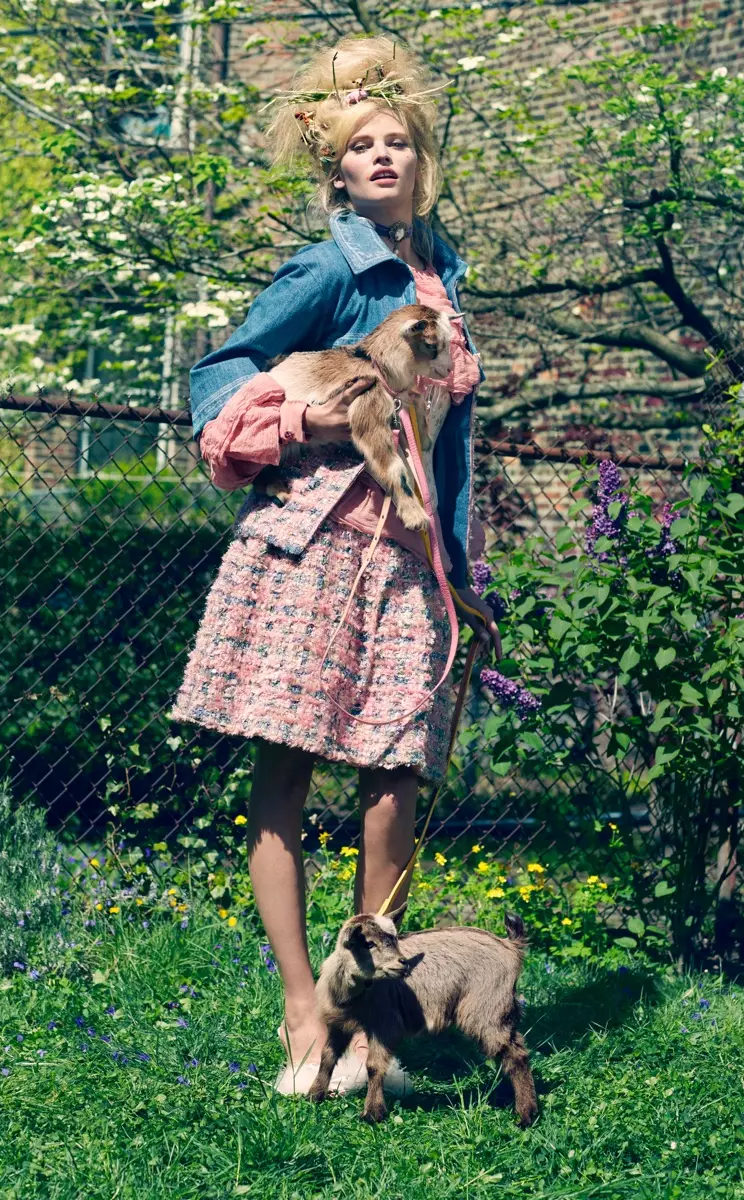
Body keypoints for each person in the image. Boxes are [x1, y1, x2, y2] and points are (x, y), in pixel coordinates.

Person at [169, 35, 502, 1095]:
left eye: (399, 142)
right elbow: (218, 376)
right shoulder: (325, 267)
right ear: (338, 170)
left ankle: (369, 1020)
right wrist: (296, 421)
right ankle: (298, 1007)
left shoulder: (441, 276)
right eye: (365, 148)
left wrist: (456, 562)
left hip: (410, 562)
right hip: (313, 546)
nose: (385, 159)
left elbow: (444, 445)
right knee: (285, 770)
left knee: (396, 777)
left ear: (421, 158)